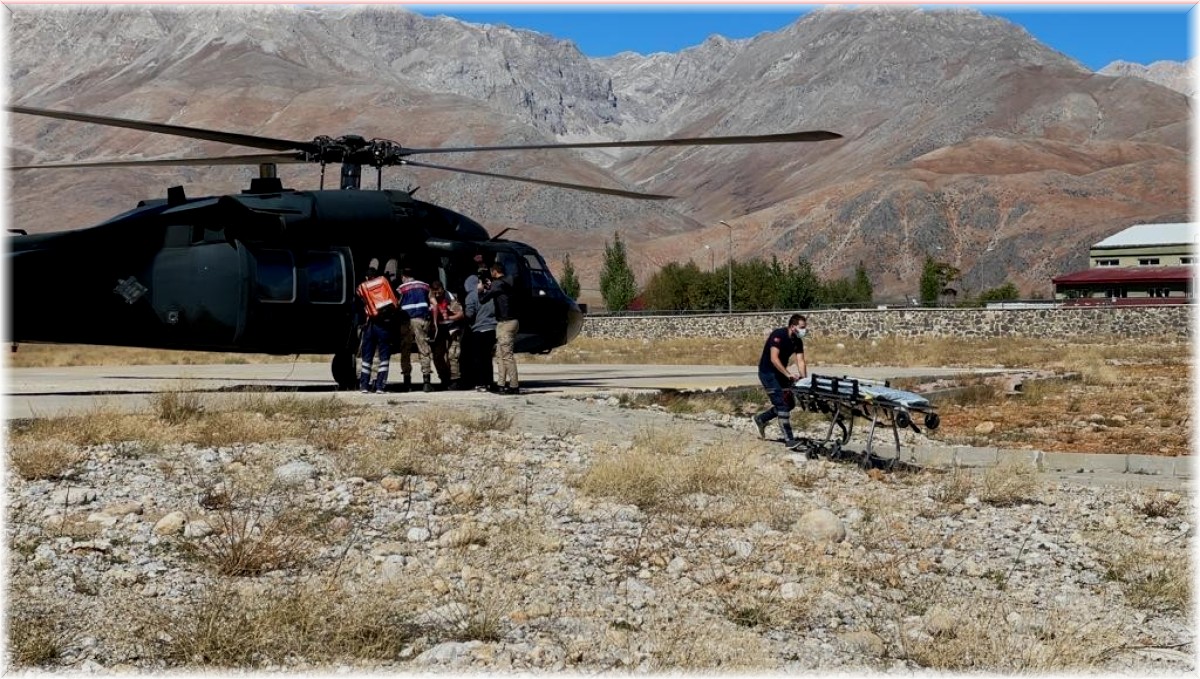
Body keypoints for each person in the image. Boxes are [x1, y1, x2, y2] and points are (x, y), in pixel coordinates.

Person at [752, 314, 808, 449]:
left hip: (781, 373)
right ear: (793, 326)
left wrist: (805, 381)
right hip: (768, 373)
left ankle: (761, 419)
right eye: (802, 327)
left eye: (805, 327)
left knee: (789, 404)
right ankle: (789, 440)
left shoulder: (797, 341)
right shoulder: (778, 335)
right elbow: (774, 358)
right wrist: (788, 374)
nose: (804, 330)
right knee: (781, 404)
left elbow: (800, 361)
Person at [479, 262, 519, 395]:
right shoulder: (508, 282)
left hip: (505, 322)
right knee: (500, 354)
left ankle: (514, 385)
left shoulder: (497, 284)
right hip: (512, 322)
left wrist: (480, 290)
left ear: (494, 271)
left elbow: (483, 299)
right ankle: (501, 384)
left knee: (507, 356)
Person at [394, 265, 435, 393]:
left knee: (405, 350)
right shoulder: (425, 286)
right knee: (424, 349)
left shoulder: (401, 289)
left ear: (403, 276)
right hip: (422, 320)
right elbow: (433, 303)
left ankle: (407, 382)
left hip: (407, 322)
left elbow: (396, 304)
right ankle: (426, 381)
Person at [356, 258, 392, 393]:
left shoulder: (362, 287)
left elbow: (359, 299)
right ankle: (380, 386)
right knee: (384, 357)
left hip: (369, 325)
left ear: (367, 277)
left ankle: (364, 385)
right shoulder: (383, 283)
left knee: (366, 357)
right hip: (383, 325)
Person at [464, 273, 497, 392]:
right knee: (488, 358)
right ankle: (490, 382)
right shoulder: (491, 294)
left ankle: (480, 383)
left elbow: (469, 314)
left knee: (478, 358)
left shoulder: (471, 296)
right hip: (492, 328)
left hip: (478, 329)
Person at [429, 280, 465, 390]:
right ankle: (444, 378)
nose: (437, 295)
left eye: (439, 292)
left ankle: (455, 379)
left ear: (442, 289)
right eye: (435, 292)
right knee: (437, 355)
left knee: (452, 354)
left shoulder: (450, 297)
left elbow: (460, 314)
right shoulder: (430, 297)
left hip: (452, 328)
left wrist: (449, 317)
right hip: (439, 329)